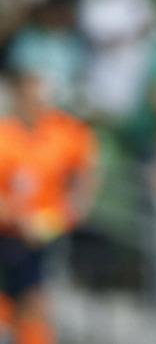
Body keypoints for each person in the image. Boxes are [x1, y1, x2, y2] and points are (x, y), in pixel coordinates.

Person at [0, 69, 100, 344]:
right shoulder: (5, 135)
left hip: (47, 231)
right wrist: (18, 219)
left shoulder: (59, 131)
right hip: (9, 233)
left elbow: (86, 167)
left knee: (36, 299)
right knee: (18, 303)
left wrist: (76, 206)